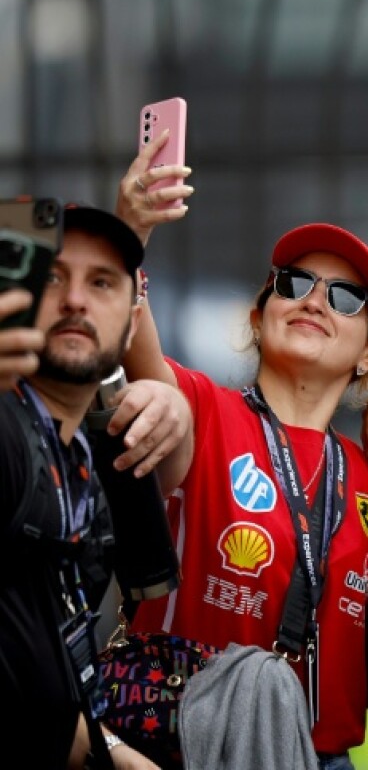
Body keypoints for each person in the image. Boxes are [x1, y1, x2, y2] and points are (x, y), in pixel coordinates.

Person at [113, 136, 368, 770]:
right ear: (259, 313)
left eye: (346, 297)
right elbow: (135, 349)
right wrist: (129, 235)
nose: (315, 300)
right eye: (294, 282)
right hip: (184, 748)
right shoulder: (203, 409)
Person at [1, 204, 191, 769]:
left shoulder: (86, 459)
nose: (76, 300)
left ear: (132, 324)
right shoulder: (10, 434)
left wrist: (118, 757)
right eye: (53, 277)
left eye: (101, 282)